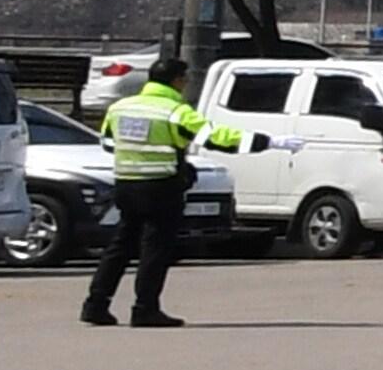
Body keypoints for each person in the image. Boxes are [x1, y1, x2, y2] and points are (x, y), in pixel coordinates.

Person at [80, 57, 304, 328]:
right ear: (176, 80)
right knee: (154, 250)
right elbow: (217, 137)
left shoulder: (120, 107)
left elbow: (108, 143)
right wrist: (269, 142)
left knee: (121, 246)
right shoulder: (175, 111)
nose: (186, 83)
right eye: (184, 79)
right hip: (161, 187)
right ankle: (145, 309)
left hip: (126, 185)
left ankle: (96, 305)